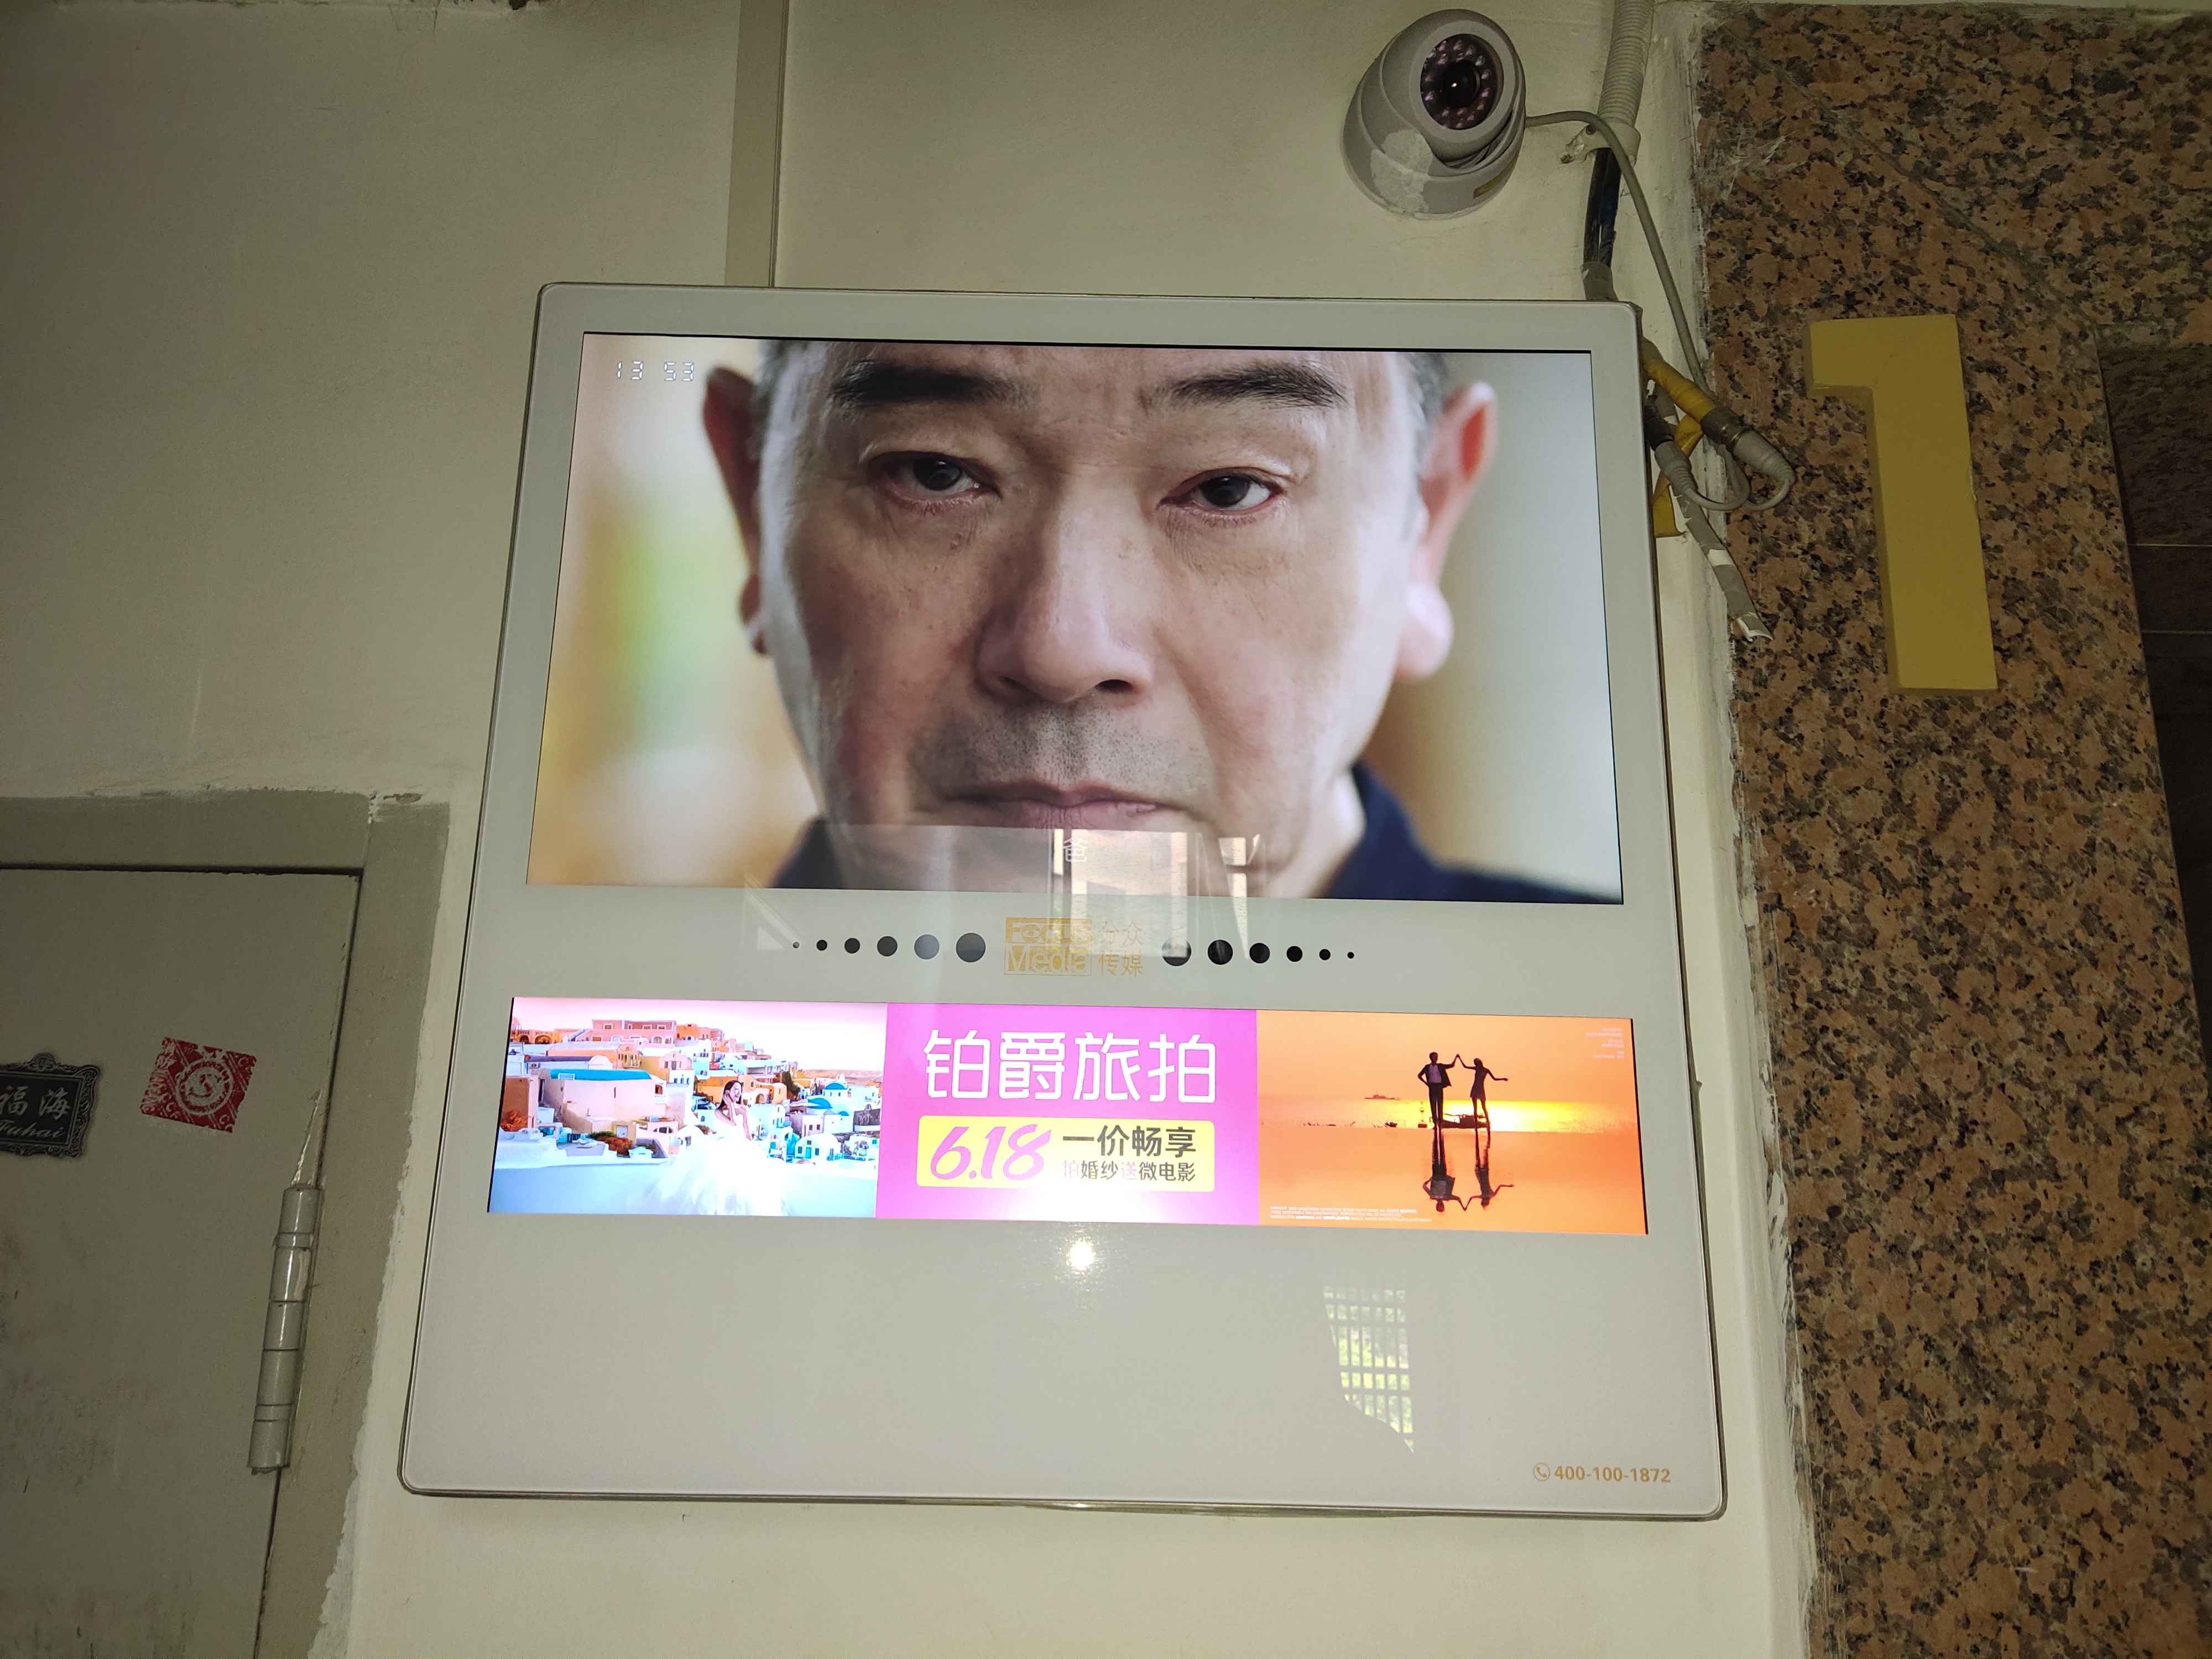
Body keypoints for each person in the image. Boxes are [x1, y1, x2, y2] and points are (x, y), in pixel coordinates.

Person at [702, 340, 1589, 901]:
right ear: (753, 508)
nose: (1061, 649)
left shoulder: (1630, 1034)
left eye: (1228, 489)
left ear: (1424, 520)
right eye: (933, 473)